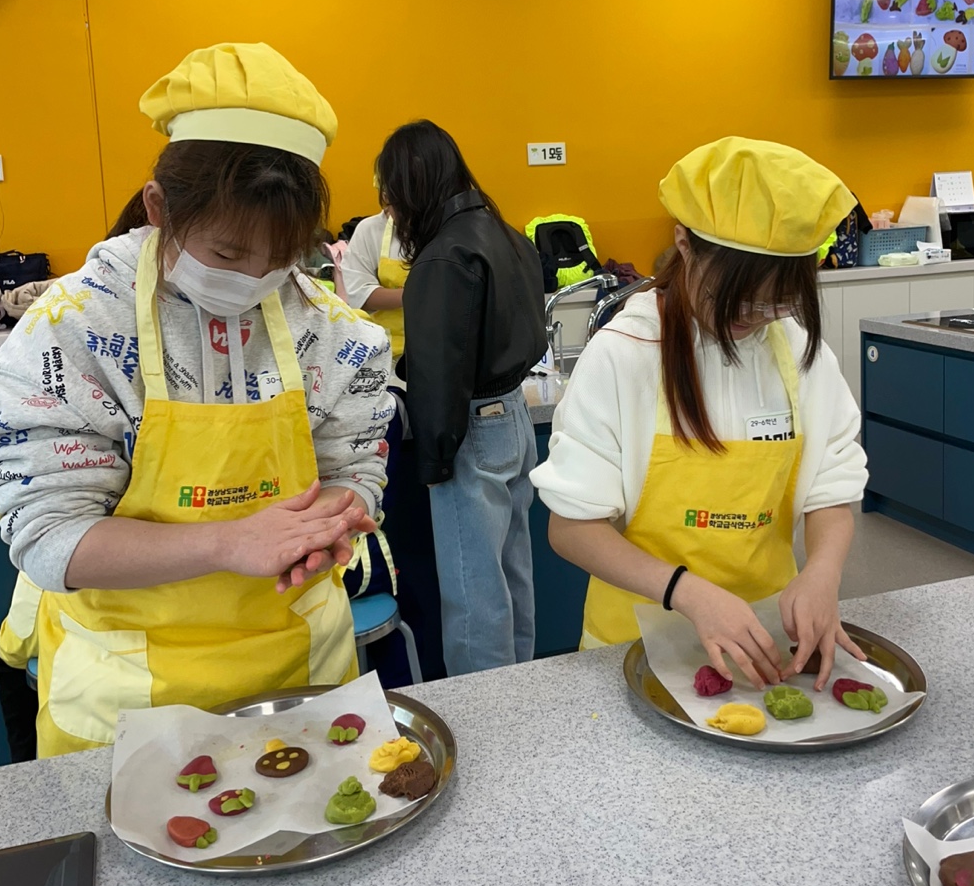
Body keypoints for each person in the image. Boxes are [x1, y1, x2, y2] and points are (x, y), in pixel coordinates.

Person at [0, 43, 392, 758]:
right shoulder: (75, 331)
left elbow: (355, 468)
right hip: (123, 696)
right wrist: (229, 542)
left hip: (301, 670)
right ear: (159, 206)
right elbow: (49, 538)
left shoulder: (335, 333)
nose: (255, 277)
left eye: (280, 258)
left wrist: (338, 513)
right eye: (230, 255)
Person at [531, 136, 868, 690]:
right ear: (684, 245)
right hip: (633, 640)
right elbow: (571, 530)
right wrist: (687, 592)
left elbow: (831, 487)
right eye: (739, 299)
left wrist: (822, 571)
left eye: (777, 302)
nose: (757, 318)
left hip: (764, 642)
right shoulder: (625, 354)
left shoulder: (798, 351)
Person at [374, 121, 545, 675]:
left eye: (389, 194)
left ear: (409, 187)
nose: (389, 210)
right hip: (513, 414)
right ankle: (518, 696)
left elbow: (439, 374)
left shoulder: (442, 258)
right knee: (512, 575)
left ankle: (487, 724)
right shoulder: (507, 234)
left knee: (473, 593)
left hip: (469, 424)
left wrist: (433, 460)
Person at [339, 210, 407, 361]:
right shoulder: (369, 229)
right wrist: (419, 293)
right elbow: (362, 297)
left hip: (433, 347)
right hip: (384, 350)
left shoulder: (445, 228)